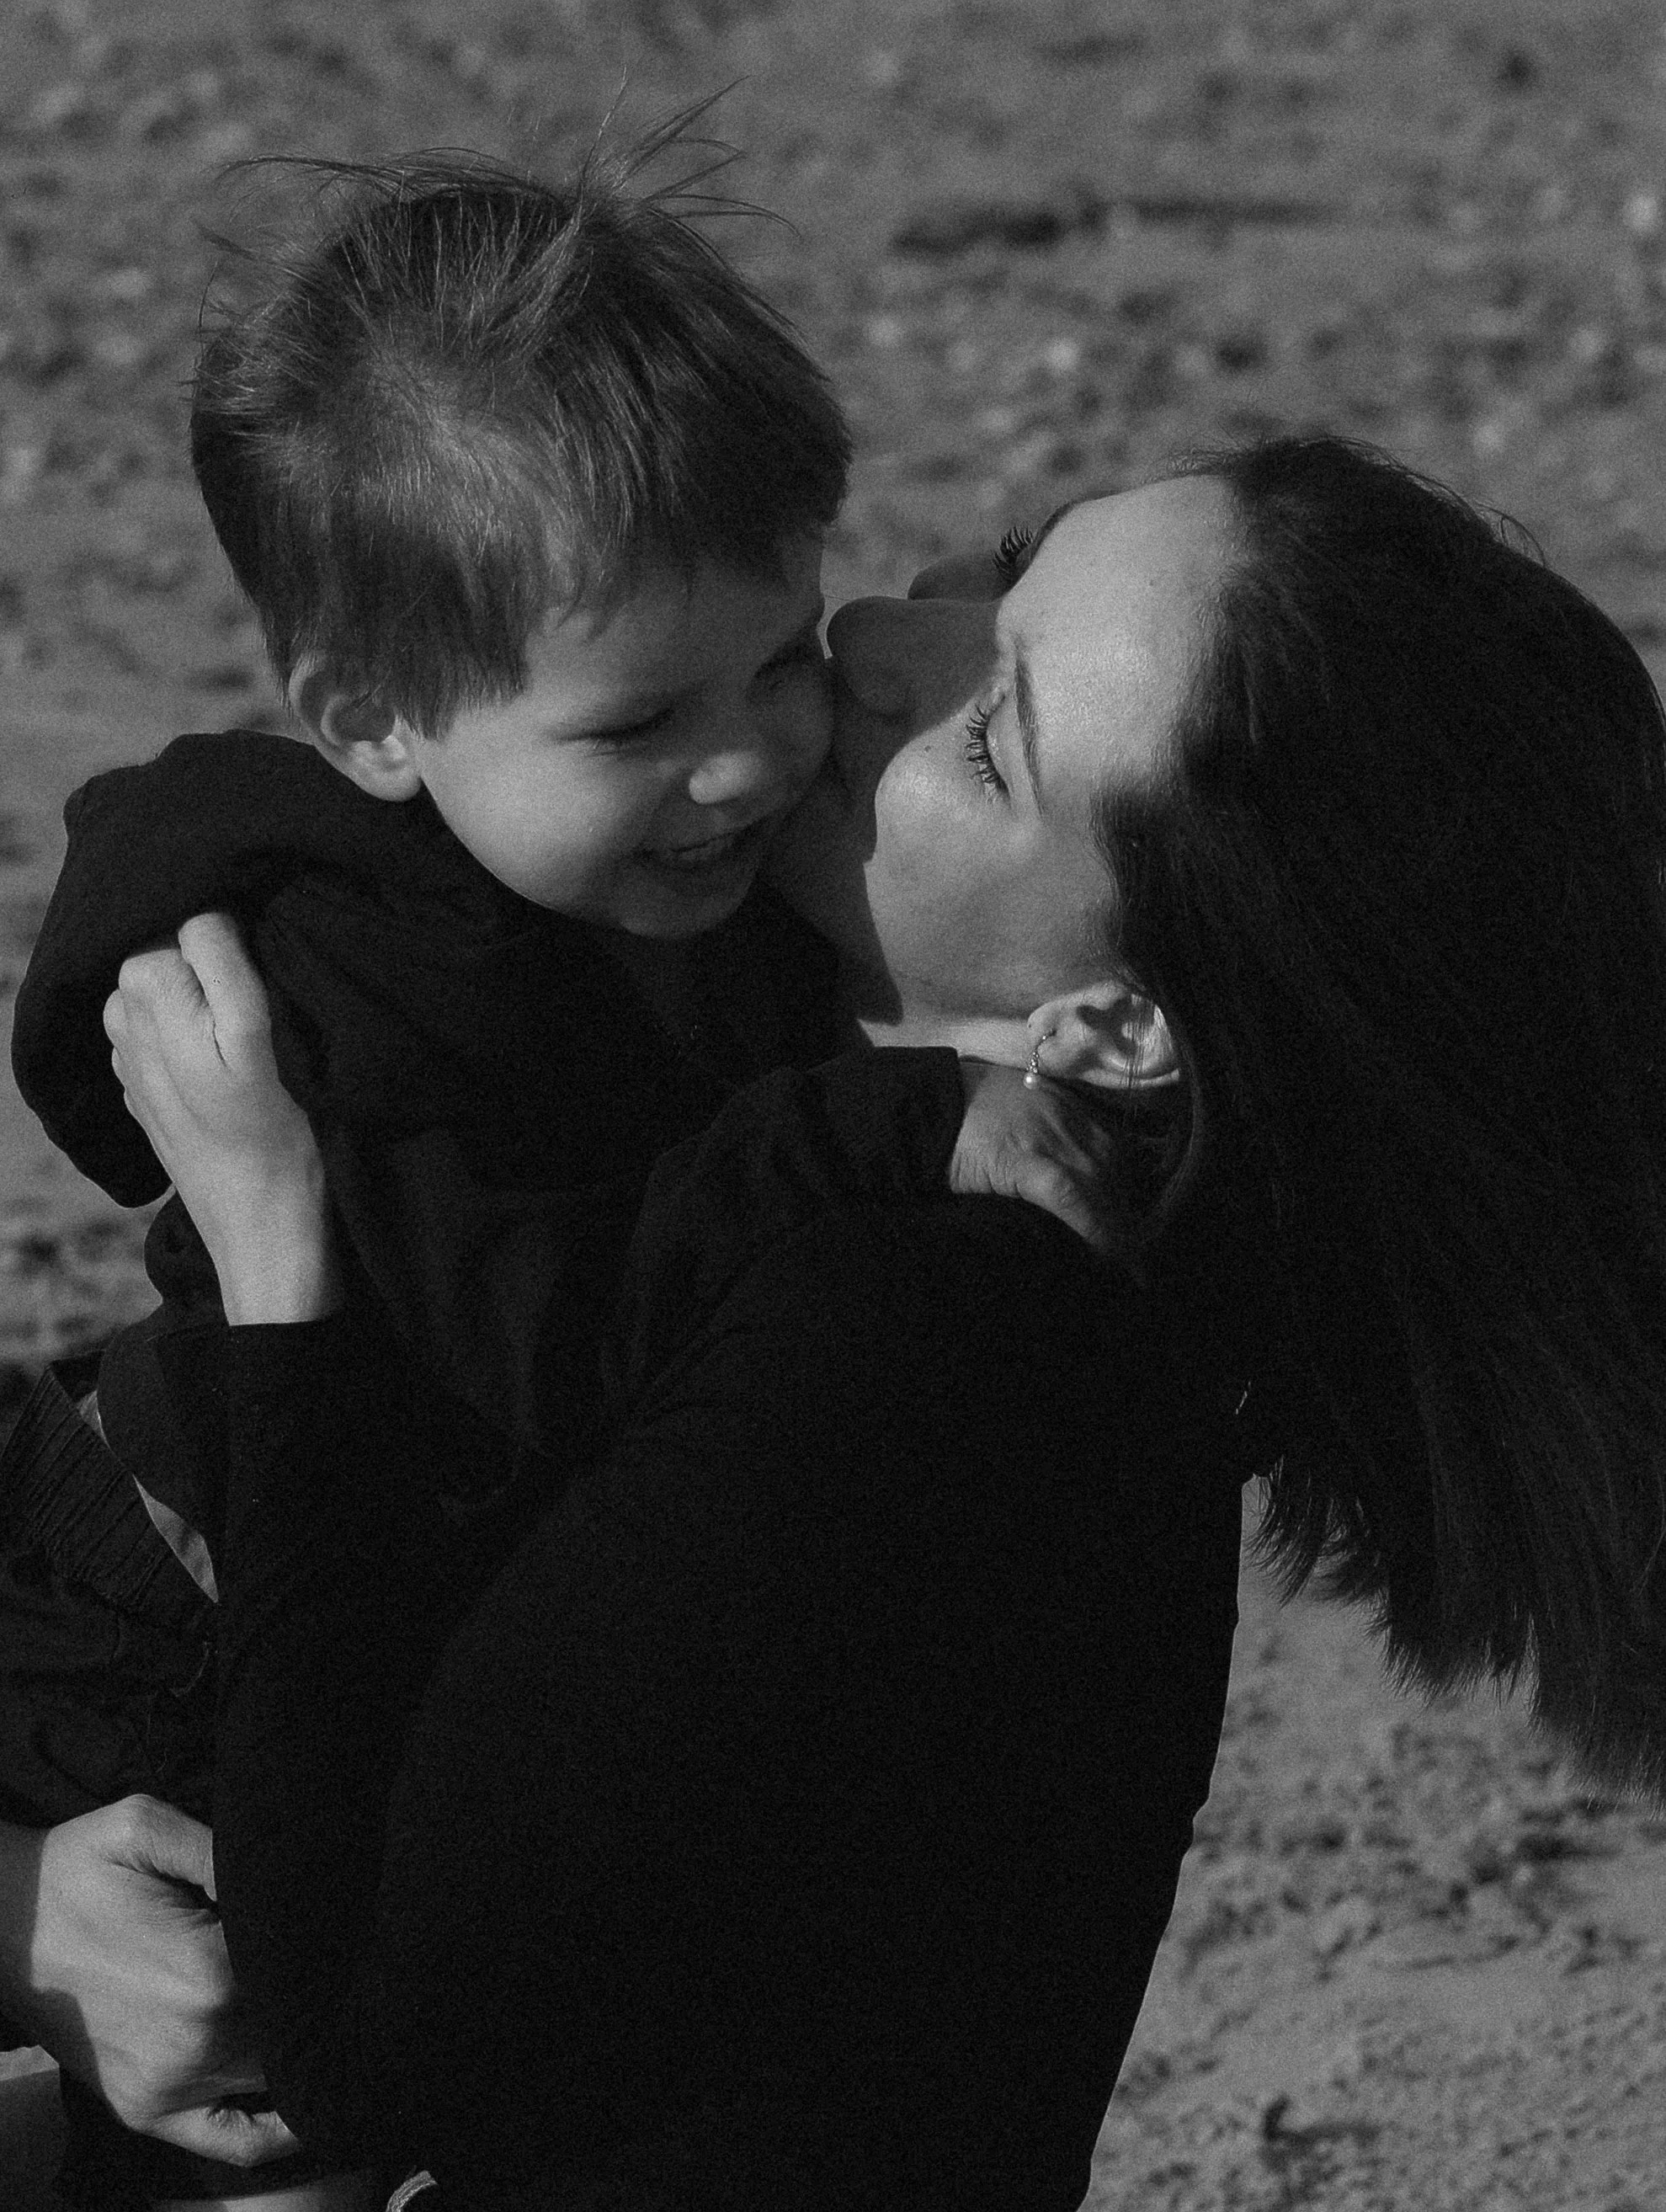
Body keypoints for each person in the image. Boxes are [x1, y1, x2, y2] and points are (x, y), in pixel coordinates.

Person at [88, 438, 1666, 2207]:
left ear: (1117, 1022)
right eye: (993, 575)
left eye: (990, 735)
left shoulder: (922, 1348)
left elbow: (358, 2050)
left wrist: (277, 1261)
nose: (873, 636)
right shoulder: (909, 1216)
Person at [1, 136, 1100, 2211]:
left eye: (778, 656)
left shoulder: (632, 878)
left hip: (371, 1581)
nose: (750, 761)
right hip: (168, 1611)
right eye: (640, 721)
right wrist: (894, 1115)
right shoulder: (328, 997)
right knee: (261, 2082)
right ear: (375, 717)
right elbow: (560, 1335)